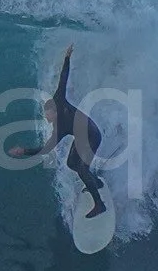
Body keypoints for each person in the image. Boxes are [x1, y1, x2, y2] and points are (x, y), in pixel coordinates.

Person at [7, 46, 110, 219]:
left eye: (49, 116)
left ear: (55, 111)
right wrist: (23, 151)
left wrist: (67, 58)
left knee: (82, 169)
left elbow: (64, 78)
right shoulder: (58, 127)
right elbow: (45, 149)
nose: (47, 119)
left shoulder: (59, 101)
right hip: (81, 137)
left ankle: (99, 205)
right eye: (46, 115)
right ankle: (96, 183)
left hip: (92, 135)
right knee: (71, 164)